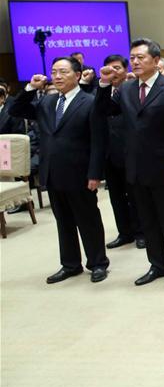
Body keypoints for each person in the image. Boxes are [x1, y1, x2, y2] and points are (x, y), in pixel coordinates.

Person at [96, 38, 164, 287]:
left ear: (156, 61)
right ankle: (157, 264)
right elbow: (105, 110)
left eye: (141, 57)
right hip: (135, 167)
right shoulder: (126, 89)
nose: (135, 62)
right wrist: (105, 84)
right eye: (133, 57)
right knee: (147, 220)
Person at [10, 57, 109, 283]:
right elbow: (16, 109)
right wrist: (30, 88)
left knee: (88, 220)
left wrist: (95, 174)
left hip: (80, 173)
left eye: (63, 72)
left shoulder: (90, 101)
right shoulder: (47, 101)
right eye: (54, 72)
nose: (57, 76)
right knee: (63, 221)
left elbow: (98, 141)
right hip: (53, 172)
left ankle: (97, 263)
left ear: (77, 75)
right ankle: (70, 264)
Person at [99, 55, 145, 250]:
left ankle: (141, 231)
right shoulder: (100, 91)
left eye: (117, 68)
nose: (113, 72)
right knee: (116, 197)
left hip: (130, 152)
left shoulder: (132, 90)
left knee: (135, 196)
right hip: (109, 153)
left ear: (126, 70)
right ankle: (124, 232)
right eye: (109, 68)